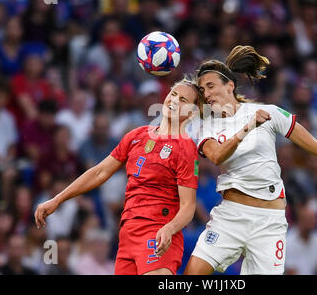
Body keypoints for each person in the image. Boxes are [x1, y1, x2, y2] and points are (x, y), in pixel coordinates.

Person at [184, 45, 317, 275]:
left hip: (270, 222)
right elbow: (216, 155)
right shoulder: (207, 126)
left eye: (211, 86)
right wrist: (249, 127)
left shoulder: (271, 112)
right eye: (202, 90)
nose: (207, 93)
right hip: (231, 215)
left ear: (230, 85)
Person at [34, 79, 203, 275]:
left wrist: (170, 228)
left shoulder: (185, 147)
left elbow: (188, 207)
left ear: (191, 113)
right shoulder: (136, 135)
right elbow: (99, 172)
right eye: (173, 94)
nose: (174, 100)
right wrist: (58, 199)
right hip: (127, 237)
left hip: (157, 233)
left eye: (183, 99)